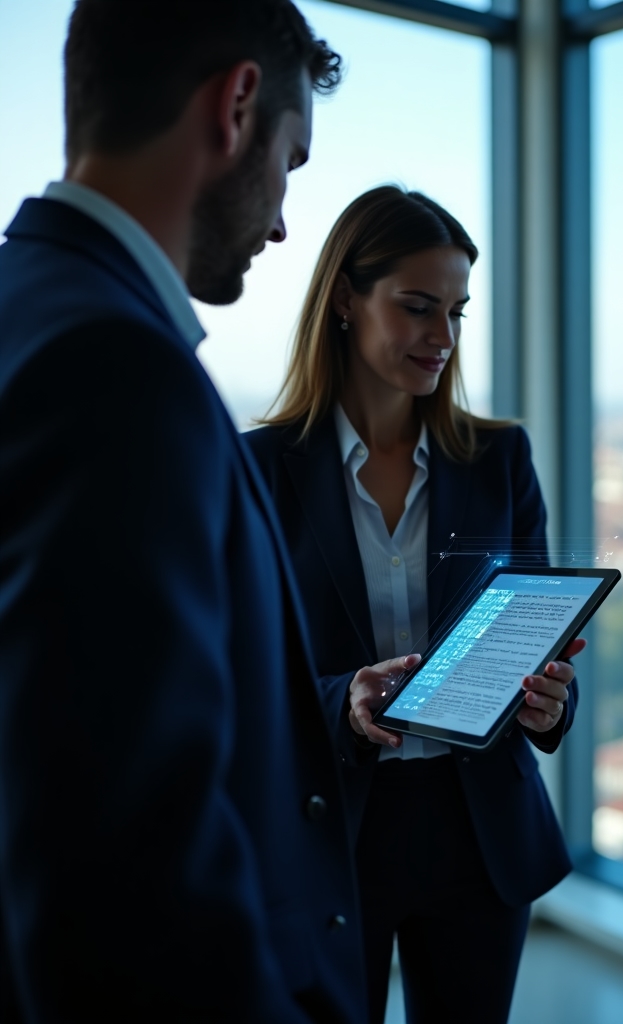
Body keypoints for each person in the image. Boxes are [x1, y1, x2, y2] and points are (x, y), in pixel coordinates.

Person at [0, 4, 368, 1022]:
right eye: (291, 164)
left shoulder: (28, 306)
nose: (285, 219)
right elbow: (124, 873)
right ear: (237, 106)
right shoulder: (115, 368)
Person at [245, 185, 582, 1024]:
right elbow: (241, 671)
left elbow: (531, 634)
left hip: (479, 831)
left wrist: (546, 704)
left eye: (458, 311)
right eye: (419, 307)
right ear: (346, 303)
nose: (444, 337)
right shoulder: (259, 467)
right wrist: (343, 700)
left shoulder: (499, 457)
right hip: (329, 827)